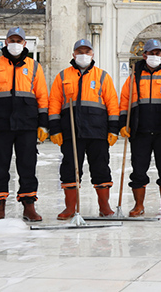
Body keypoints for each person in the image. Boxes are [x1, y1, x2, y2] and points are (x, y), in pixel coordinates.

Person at [0, 27, 49, 222]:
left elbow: (42, 97)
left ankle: (29, 206)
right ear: (5, 42)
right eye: (11, 39)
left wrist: (43, 124)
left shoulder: (34, 66)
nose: (15, 43)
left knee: (27, 165)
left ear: (24, 43)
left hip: (27, 124)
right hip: (0, 123)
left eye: (19, 40)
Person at [48, 39, 119, 219]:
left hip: (98, 132)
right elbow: (54, 103)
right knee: (70, 168)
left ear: (92, 54)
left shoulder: (102, 76)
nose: (83, 55)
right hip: (71, 131)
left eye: (87, 52)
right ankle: (70, 207)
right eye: (80, 51)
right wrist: (54, 129)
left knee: (101, 168)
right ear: (73, 54)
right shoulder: (63, 76)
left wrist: (113, 129)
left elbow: (112, 104)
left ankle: (104, 206)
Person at [119, 39, 161, 216]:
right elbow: (125, 102)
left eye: (158, 53)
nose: (155, 56)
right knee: (138, 169)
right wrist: (122, 124)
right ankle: (138, 205)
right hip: (140, 131)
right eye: (152, 53)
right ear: (144, 55)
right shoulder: (133, 77)